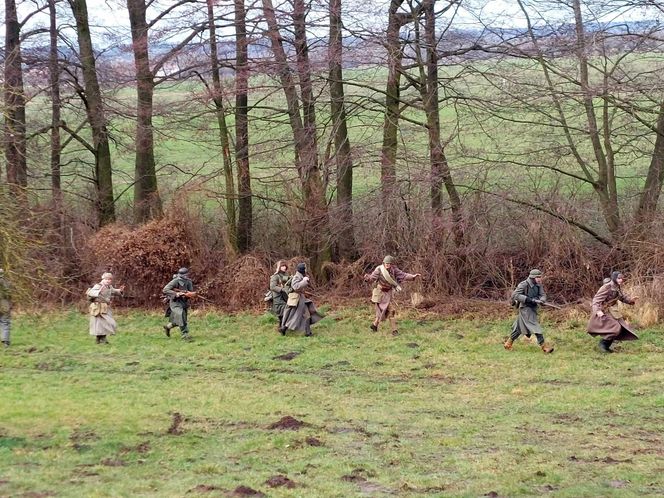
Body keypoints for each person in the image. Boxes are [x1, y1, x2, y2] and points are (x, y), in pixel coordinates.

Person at [363, 255, 420, 336]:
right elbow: (372, 278)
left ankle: (374, 325)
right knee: (391, 311)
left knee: (383, 311)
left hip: (388, 294)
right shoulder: (379, 269)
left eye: (389, 263)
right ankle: (394, 331)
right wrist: (367, 278)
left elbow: (403, 275)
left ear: (391, 264)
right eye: (386, 263)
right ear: (383, 263)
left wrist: (413, 276)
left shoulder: (394, 270)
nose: (387, 265)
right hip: (380, 294)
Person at [504, 269, 554, 353]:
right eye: (537, 277)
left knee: (518, 328)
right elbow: (515, 295)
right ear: (532, 277)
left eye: (540, 277)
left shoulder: (539, 285)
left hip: (533, 308)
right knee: (535, 326)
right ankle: (544, 347)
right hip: (525, 308)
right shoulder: (523, 284)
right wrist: (528, 299)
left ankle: (508, 344)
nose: (539, 279)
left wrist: (542, 300)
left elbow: (542, 294)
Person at [587, 271, 638, 353]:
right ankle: (602, 345)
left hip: (613, 311)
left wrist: (631, 301)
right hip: (605, 311)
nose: (621, 280)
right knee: (615, 328)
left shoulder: (617, 287)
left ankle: (606, 346)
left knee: (620, 328)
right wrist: (598, 311)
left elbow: (622, 297)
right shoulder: (607, 287)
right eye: (619, 278)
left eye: (621, 278)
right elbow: (596, 300)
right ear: (614, 278)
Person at [280, 263, 322, 336]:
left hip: (301, 299)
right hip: (297, 300)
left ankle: (307, 332)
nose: (306, 270)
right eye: (305, 268)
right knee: (297, 316)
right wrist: (304, 281)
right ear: (302, 269)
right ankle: (284, 328)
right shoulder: (296, 276)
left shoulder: (301, 276)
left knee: (305, 316)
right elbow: (295, 287)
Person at [86, 272, 124, 345]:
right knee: (99, 323)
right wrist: (98, 292)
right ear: (103, 279)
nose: (108, 281)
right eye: (106, 279)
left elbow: (115, 291)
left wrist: (120, 290)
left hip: (105, 308)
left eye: (109, 279)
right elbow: (90, 293)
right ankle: (101, 339)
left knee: (106, 323)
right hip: (97, 308)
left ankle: (100, 338)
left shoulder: (109, 287)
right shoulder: (98, 286)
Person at [163, 267, 196, 341]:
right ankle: (185, 335)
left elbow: (190, 292)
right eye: (183, 275)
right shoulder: (175, 281)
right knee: (180, 315)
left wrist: (190, 294)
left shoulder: (189, 282)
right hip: (175, 302)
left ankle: (168, 327)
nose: (185, 276)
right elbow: (165, 289)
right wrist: (177, 293)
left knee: (182, 319)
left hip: (184, 302)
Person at [269, 260, 291, 334]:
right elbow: (272, 287)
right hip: (278, 297)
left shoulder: (284, 275)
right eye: (282, 266)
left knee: (285, 312)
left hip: (285, 296)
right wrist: (281, 289)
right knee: (283, 312)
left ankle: (282, 328)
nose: (284, 267)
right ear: (279, 267)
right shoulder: (275, 276)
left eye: (285, 266)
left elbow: (287, 281)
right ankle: (282, 328)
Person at [0, 269, 11, 348]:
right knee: (5, 322)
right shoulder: (6, 282)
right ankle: (5, 341)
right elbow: (9, 293)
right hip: (4, 304)